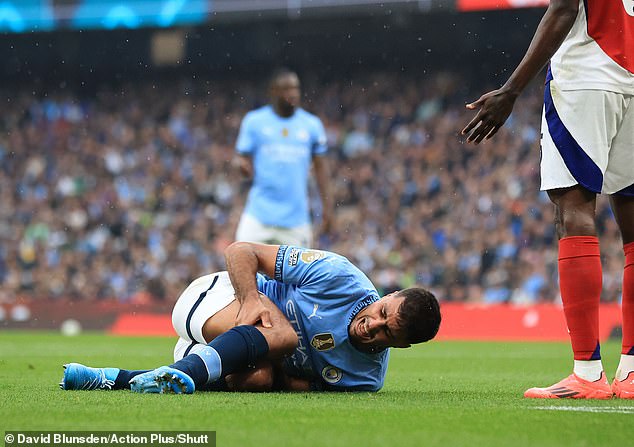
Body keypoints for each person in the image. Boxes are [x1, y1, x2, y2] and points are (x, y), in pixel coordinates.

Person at [463, 0, 633, 399]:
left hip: (587, 77)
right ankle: (631, 372)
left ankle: (588, 374)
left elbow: (563, 8)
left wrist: (511, 91)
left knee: (573, 213)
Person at [60, 242, 441, 393]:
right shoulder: (340, 276)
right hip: (214, 298)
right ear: (387, 296)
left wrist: (276, 372)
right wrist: (250, 300)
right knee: (285, 337)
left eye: (386, 332)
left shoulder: (365, 380)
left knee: (257, 381)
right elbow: (241, 251)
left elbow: (292, 387)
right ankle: (193, 371)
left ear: (401, 345)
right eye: (381, 312)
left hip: (220, 349)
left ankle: (110, 379)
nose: (372, 324)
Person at [233, 68, 333, 248]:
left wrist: (328, 209)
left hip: (295, 221)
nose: (293, 93)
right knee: (240, 263)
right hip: (259, 216)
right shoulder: (254, 121)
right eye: (286, 89)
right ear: (273, 92)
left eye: (295, 88)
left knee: (299, 275)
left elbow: (321, 170)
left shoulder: (311, 125)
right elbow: (241, 157)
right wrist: (242, 165)